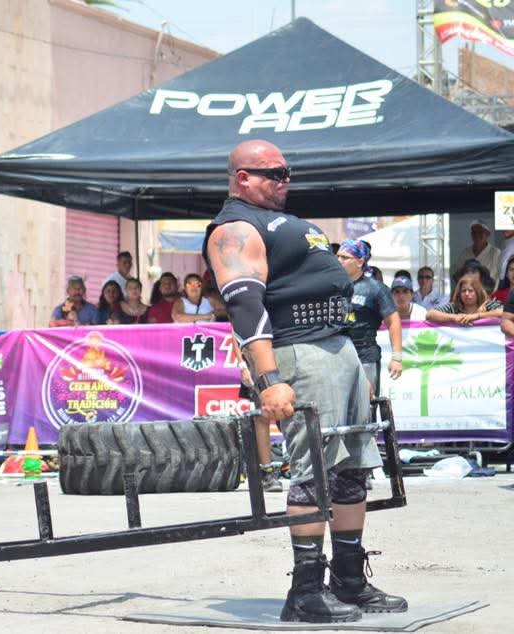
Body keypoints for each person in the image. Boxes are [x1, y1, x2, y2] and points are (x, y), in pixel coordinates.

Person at [205, 139, 405, 624]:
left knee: (352, 468)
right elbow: (245, 306)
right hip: (299, 351)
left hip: (339, 347)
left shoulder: (281, 222)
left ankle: (350, 581)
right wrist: (268, 379)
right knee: (316, 470)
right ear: (242, 178)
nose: (284, 180)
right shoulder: (234, 228)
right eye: (272, 173)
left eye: (287, 172)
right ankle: (307, 592)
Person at [336, 239, 403, 396]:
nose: (339, 261)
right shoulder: (332, 286)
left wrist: (397, 358)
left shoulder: (376, 288)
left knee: (366, 403)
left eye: (344, 258)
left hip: (365, 354)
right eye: (337, 256)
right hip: (337, 353)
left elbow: (393, 321)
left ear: (360, 262)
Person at [233, 339, 282, 492]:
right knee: (261, 415)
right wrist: (242, 366)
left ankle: (302, 465)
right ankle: (267, 471)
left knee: (290, 411)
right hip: (257, 358)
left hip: (283, 350)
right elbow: (235, 330)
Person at [426, 273, 503, 325]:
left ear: (477, 292)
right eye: (463, 291)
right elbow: (430, 314)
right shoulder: (454, 308)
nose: (466, 294)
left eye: (470, 291)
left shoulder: (487, 305)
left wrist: (477, 316)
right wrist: (454, 318)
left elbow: (504, 312)